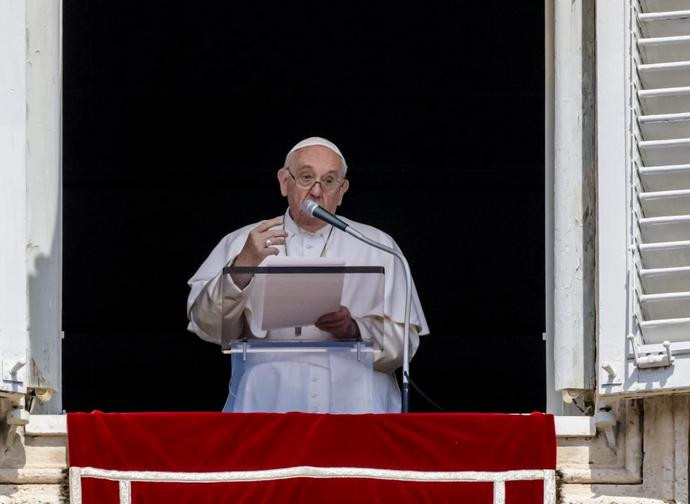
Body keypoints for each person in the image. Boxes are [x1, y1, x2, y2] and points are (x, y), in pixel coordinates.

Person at [186, 137, 429, 413]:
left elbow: (405, 345)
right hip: (267, 403)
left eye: (328, 181)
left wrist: (353, 329)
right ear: (283, 181)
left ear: (342, 190)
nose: (316, 191)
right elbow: (206, 326)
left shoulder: (379, 246)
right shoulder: (242, 242)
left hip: (357, 405)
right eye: (305, 177)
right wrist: (243, 265)